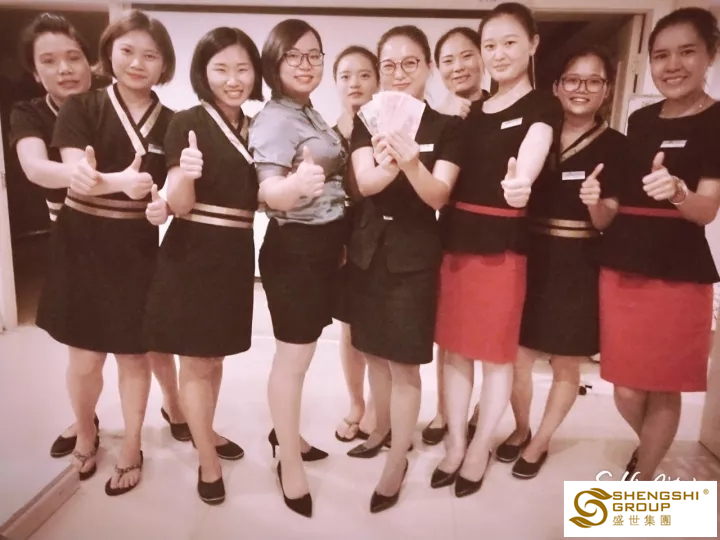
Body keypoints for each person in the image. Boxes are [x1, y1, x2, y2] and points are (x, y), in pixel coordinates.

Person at [9, 12, 188, 463]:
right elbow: (73, 173)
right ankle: (86, 430)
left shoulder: (173, 120)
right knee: (85, 358)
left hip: (136, 247)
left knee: (135, 355)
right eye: (127, 51)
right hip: (80, 242)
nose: (137, 63)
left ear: (165, 64)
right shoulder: (81, 107)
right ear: (108, 54)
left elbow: (171, 183)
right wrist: (121, 183)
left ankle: (132, 443)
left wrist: (164, 204)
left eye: (150, 55)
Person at [434, 2, 562, 497]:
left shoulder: (542, 106)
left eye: (510, 42)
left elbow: (533, 151)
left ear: (532, 44)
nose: (499, 53)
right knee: (454, 352)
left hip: (504, 246)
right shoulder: (470, 112)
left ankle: (481, 446)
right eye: (490, 45)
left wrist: (521, 183)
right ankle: (455, 442)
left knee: (496, 356)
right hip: (455, 243)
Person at [600, 7, 720, 481]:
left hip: (678, 270)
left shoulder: (717, 120)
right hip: (624, 263)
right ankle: (650, 447)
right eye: (661, 55)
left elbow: (707, 210)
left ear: (711, 54)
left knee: (664, 384)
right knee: (626, 388)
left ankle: (644, 479)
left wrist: (678, 192)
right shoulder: (641, 118)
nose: (672, 65)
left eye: (687, 52)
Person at [144, 26, 262, 505]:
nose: (233, 80)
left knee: (215, 357)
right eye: (221, 69)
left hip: (236, 252)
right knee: (195, 359)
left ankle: (204, 430)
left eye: (242, 69)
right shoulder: (186, 122)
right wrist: (186, 175)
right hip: (192, 250)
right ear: (203, 73)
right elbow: (178, 204)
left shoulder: (258, 126)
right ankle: (207, 460)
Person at [347, 25, 463, 513]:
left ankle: (398, 459)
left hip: (415, 254)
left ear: (428, 67)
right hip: (368, 250)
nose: (398, 74)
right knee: (372, 352)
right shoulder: (366, 119)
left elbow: (438, 196)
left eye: (410, 63)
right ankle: (379, 429)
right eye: (389, 65)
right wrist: (389, 163)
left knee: (404, 363)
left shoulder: (446, 127)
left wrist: (412, 163)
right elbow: (365, 184)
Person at [501, 46, 628, 480]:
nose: (581, 89)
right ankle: (521, 428)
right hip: (530, 253)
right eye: (572, 79)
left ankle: (540, 441)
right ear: (556, 86)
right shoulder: (538, 133)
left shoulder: (616, 146)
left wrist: (595, 203)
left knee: (565, 362)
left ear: (606, 89)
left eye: (593, 81)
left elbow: (607, 219)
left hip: (580, 262)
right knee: (517, 357)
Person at [249, 18, 345, 518]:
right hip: (296, 251)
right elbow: (269, 189)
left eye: (314, 55)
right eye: (294, 55)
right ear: (275, 62)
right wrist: (294, 187)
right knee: (292, 360)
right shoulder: (274, 119)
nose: (306, 64)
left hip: (323, 247)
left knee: (301, 358)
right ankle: (288, 460)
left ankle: (285, 435)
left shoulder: (308, 112)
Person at [423, 26, 488, 446]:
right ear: (437, 68)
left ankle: (481, 407)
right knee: (447, 331)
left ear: (482, 58)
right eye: (448, 60)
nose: (458, 66)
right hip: (448, 231)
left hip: (495, 232)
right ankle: (444, 410)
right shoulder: (434, 115)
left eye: (467, 56)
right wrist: (446, 116)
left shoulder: (499, 108)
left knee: (488, 332)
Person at [331, 45, 378, 444]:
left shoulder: (389, 126)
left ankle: (379, 408)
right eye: (345, 76)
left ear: (377, 81)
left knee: (378, 324)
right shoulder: (327, 135)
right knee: (347, 328)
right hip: (340, 238)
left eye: (364, 74)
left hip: (381, 235)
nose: (354, 83)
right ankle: (356, 404)